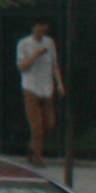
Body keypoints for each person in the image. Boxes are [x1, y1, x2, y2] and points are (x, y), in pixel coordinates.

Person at [15, 19, 66, 164]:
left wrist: (59, 83)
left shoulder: (49, 42)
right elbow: (21, 66)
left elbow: (54, 64)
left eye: (43, 30)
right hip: (30, 86)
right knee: (36, 125)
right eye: (38, 30)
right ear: (33, 28)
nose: (41, 33)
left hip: (47, 87)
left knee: (49, 123)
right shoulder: (24, 43)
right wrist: (35, 55)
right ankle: (37, 157)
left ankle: (32, 149)